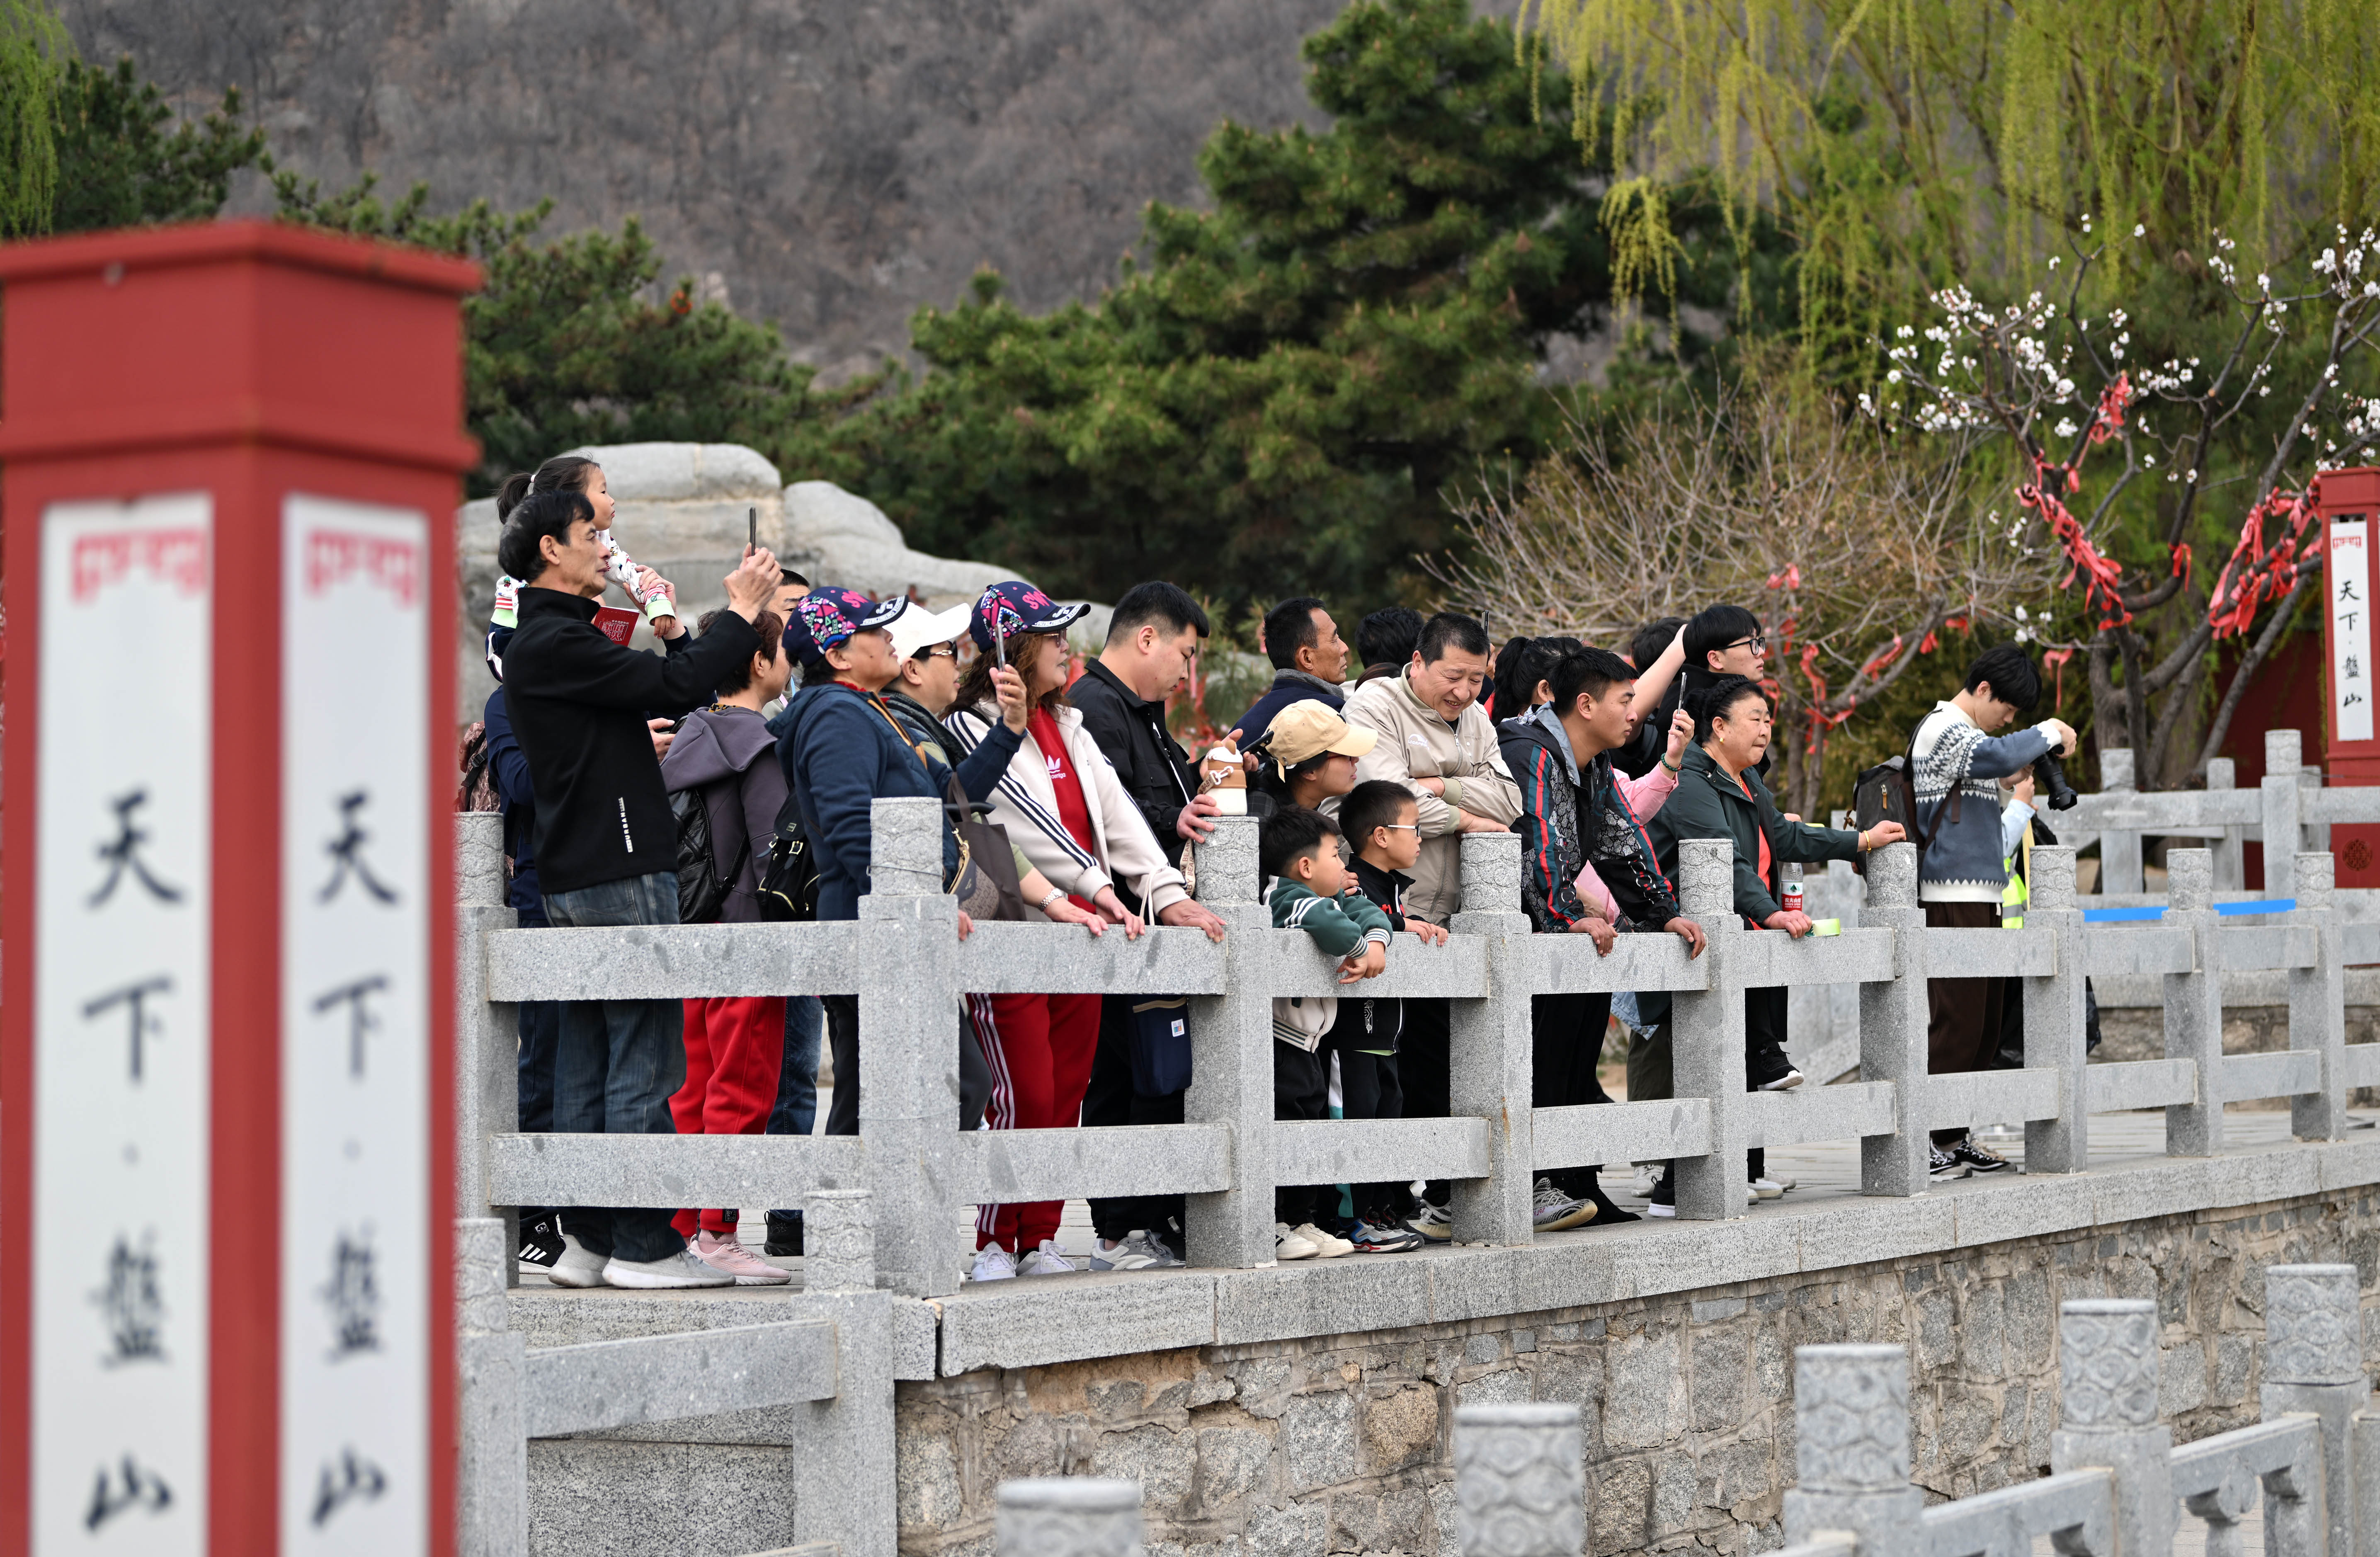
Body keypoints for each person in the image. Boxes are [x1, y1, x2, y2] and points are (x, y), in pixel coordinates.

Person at [498, 485, 781, 1290]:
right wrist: (739, 610)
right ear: (551, 547)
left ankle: (588, 1241)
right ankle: (643, 1246)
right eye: (593, 533)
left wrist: (675, 629)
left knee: (589, 1057)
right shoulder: (555, 639)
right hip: (618, 867)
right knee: (646, 1057)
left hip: (580, 870)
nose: (605, 548)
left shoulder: (546, 641)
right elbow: (675, 685)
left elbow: (672, 682)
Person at [944, 582, 1227, 1281]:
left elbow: (1119, 814)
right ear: (1011, 647)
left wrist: (1165, 893)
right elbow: (1020, 827)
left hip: (1086, 937)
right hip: (1015, 930)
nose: (1067, 647)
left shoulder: (1068, 723)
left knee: (1066, 1089)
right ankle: (991, 1240)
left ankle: (1038, 1237)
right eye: (1052, 636)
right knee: (1024, 1092)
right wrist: (1099, 890)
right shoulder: (971, 726)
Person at [777, 586, 1032, 1192]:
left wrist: (1008, 732)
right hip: (883, 928)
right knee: (920, 1084)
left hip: (899, 923)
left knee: (886, 1087)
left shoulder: (865, 707)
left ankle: (863, 1233)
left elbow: (948, 801)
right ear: (838, 654)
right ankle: (861, 1233)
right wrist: (923, 906)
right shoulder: (836, 714)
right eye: (877, 630)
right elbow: (850, 826)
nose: (892, 638)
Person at [1639, 677, 1904, 1214]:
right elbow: (1723, 859)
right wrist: (1769, 912)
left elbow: (1783, 837)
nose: (1765, 728)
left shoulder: (1747, 777)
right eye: (1755, 718)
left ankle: (1701, 1178)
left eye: (1768, 720)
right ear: (1718, 726)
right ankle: (1678, 1183)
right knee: (1702, 1066)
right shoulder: (1691, 780)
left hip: (1739, 935)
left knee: (1723, 1066)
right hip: (1687, 940)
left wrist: (1859, 842)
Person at [880, 599, 1113, 1136]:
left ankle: (1033, 1227)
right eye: (944, 651)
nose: (956, 662)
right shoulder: (895, 728)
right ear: (910, 667)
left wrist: (1069, 900)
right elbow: (947, 825)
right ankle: (735, 1221)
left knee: (1045, 1097)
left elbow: (965, 818)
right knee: (997, 1096)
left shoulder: (1057, 719)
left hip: (1026, 920)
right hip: (940, 933)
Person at [1499, 646, 1714, 1225]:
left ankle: (1580, 1186)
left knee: (1576, 1066)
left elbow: (1622, 838)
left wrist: (1664, 911)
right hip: (1529, 935)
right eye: (1625, 700)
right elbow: (1534, 846)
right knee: (1545, 1063)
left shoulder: (1591, 763)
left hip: (1570, 932)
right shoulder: (1531, 752)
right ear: (1585, 703)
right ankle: (1539, 1184)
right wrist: (1566, 914)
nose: (1634, 714)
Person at [1342, 611, 1519, 1237]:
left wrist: (1438, 783)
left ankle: (1435, 1195)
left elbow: (1510, 800)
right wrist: (1465, 812)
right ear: (1417, 662)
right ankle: (1378, 1199)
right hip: (1389, 911)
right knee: (1378, 1065)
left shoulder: (1475, 719)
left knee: (1438, 1061)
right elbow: (1387, 801)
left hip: (1452, 921)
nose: (1465, 693)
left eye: (1476, 679)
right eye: (1453, 677)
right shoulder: (1375, 705)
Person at [1065, 581, 1224, 1269]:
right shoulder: (1093, 708)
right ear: (1147, 637)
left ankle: (1150, 1217)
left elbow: (1158, 800)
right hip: (1119, 919)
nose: (1186, 674)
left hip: (1156, 917)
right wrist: (1171, 819)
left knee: (1157, 1073)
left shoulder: (1145, 712)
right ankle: (1118, 1226)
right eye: (1185, 656)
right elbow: (1106, 817)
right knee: (1121, 1076)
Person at [658, 609, 798, 1284]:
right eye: (781, 652)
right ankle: (719, 1230)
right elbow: (775, 856)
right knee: (742, 1083)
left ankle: (686, 1228)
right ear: (759, 662)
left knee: (693, 1082)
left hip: (691, 929)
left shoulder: (688, 736)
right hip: (747, 932)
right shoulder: (756, 741)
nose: (789, 662)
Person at [1910, 645, 2077, 1176]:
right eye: (2007, 709)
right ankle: (1924, 1140)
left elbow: (1997, 764)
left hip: (1982, 897)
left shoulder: (1973, 740)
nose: (2009, 720)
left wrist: (2012, 779)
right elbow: (2000, 755)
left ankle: (1954, 1136)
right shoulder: (1943, 728)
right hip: (1947, 897)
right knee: (1956, 1020)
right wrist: (2049, 730)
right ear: (1982, 690)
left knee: (1981, 1026)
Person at [1262, 805, 1391, 1261]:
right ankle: (1271, 1224)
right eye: (1335, 855)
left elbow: (1367, 910)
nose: (1344, 865)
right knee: (1283, 1130)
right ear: (1305, 867)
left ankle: (1300, 1221)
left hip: (1310, 1044)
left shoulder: (1327, 896)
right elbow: (1326, 922)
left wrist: (1374, 944)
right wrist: (1359, 946)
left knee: (1310, 1132)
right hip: (1279, 1042)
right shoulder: (1284, 898)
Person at [1337, 780, 1444, 1252]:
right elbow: (1361, 916)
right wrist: (1401, 926)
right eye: (1414, 828)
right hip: (1357, 1029)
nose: (1421, 838)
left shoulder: (1393, 886)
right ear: (1381, 836)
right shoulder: (1355, 881)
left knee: (1389, 1111)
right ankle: (1356, 1219)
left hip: (1387, 1033)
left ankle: (1383, 1209)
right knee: (1362, 1117)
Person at [760, 564, 819, 1258]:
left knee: (800, 1062)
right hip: (759, 901)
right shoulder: (748, 700)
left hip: (808, 905)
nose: (803, 619)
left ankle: (789, 1211)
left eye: (811, 607)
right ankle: (711, 1219)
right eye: (788, 608)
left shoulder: (827, 697)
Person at [1235, 597, 1352, 742]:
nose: (1345, 648)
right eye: (1334, 640)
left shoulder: (1242, 728)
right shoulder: (1329, 713)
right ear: (1307, 658)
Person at [1248, 699, 1374, 816]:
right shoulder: (1262, 819)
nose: (1356, 759)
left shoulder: (1300, 808)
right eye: (1347, 755)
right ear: (1309, 771)